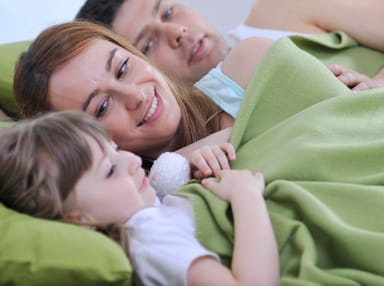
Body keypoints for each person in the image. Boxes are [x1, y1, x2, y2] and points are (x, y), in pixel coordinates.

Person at [0, 110, 279, 285]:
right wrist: (246, 196)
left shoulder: (145, 207)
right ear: (79, 219)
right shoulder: (149, 238)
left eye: (116, 149)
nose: (132, 160)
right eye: (110, 170)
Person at [76, 0, 384, 91]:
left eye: (168, 11)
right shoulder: (208, 148)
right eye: (148, 43)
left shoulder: (281, 7)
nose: (177, 31)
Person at [14, 20, 270, 176]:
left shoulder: (246, 65)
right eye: (102, 106)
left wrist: (177, 161)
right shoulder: (154, 207)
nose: (135, 95)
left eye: (123, 69)